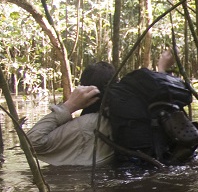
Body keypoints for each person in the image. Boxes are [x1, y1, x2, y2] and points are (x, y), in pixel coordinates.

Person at [25, 49, 175, 166]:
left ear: (83, 90)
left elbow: (31, 143)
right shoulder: (138, 113)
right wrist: (161, 69)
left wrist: (69, 106)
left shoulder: (86, 125)